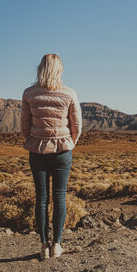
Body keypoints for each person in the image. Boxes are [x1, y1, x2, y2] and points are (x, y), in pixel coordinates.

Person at [20, 53, 82, 260]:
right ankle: (57, 244)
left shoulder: (29, 93)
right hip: (63, 151)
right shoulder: (69, 93)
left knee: (41, 198)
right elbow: (77, 125)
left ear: (40, 69)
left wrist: (34, 140)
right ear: (60, 70)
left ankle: (43, 246)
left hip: (37, 150)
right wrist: (69, 142)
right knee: (59, 196)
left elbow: (24, 126)